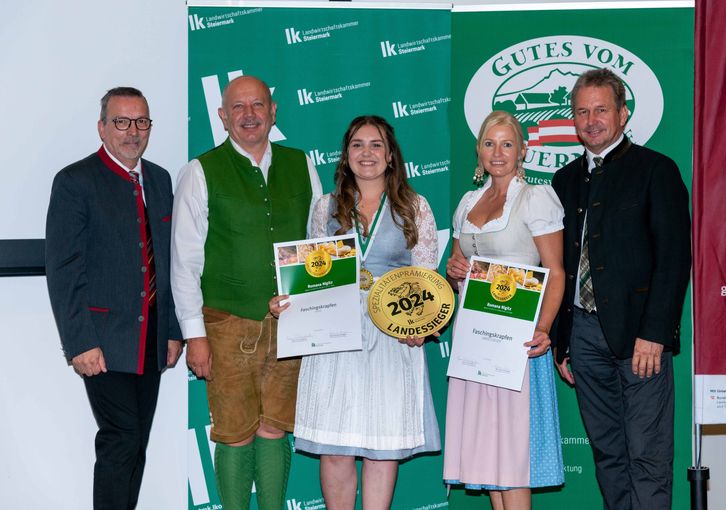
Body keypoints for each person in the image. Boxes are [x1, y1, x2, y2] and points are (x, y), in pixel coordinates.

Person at [269, 115, 441, 509]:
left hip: (391, 331)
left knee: (381, 446)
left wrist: (420, 325)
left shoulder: (415, 206)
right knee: (336, 446)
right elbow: (312, 275)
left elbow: (426, 277)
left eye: (376, 145)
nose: (367, 153)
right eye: (358, 145)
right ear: (345, 156)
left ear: (391, 155)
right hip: (335, 333)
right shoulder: (325, 207)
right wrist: (288, 303)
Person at [171, 75, 322, 510]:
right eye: (238, 107)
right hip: (224, 324)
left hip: (290, 325)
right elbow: (185, 262)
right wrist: (194, 334)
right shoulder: (200, 172)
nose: (249, 115)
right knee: (234, 432)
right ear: (222, 116)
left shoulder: (301, 163)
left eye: (258, 105)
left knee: (275, 426)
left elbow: (317, 242)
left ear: (274, 112)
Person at [550, 68, 691, 510]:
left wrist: (656, 333)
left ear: (623, 114)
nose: (591, 120)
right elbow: (557, 265)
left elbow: (673, 259)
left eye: (601, 110)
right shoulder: (563, 181)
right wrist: (561, 341)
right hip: (583, 338)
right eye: (582, 111)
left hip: (639, 338)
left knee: (647, 454)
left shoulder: (656, 170)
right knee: (608, 454)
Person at [45, 86, 183, 510]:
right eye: (121, 122)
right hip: (102, 341)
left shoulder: (159, 179)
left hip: (151, 339)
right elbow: (64, 269)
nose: (132, 131)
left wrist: (173, 331)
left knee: (136, 442)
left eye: (141, 121)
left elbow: (171, 258)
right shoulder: (74, 182)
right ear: (102, 127)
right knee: (120, 440)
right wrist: (79, 341)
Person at [442, 110, 565, 509]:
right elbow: (458, 265)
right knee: (490, 458)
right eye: (490, 144)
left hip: (518, 341)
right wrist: (455, 269)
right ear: (478, 151)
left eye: (507, 144)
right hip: (475, 343)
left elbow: (556, 271)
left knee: (512, 458)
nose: (498, 152)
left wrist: (544, 327)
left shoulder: (536, 198)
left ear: (522, 152)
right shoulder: (467, 202)